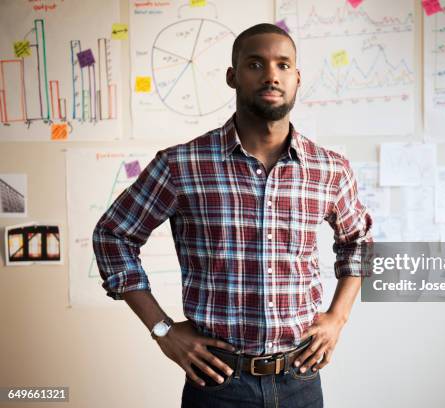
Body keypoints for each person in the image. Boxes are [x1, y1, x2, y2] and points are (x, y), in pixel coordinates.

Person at [92, 23, 372, 408]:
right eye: (255, 64)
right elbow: (113, 235)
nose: (271, 74)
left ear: (297, 78)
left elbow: (358, 242)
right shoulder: (181, 165)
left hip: (301, 379)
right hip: (217, 383)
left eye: (283, 65)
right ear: (232, 76)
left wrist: (337, 318)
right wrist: (162, 329)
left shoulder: (330, 169)